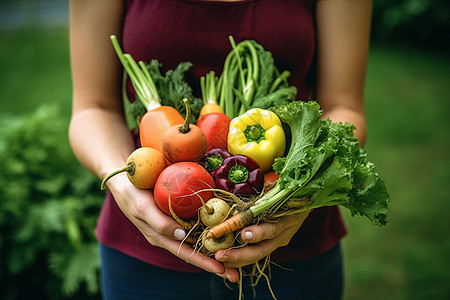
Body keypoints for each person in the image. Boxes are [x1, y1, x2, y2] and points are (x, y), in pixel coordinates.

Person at [69, 0, 372, 299]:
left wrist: (296, 196)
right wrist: (123, 184)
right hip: (143, 261)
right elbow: (93, 108)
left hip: (296, 258)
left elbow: (344, 108)